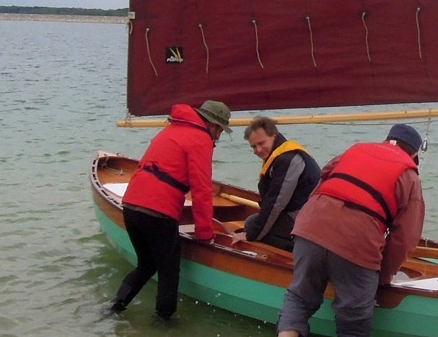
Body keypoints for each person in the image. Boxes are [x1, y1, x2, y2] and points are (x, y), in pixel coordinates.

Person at [266, 123, 426, 337]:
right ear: (414, 156)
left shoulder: (355, 150)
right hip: (357, 240)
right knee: (354, 323)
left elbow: (323, 180)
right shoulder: (409, 175)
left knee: (300, 296)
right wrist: (382, 278)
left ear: (386, 140)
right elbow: (404, 239)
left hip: (311, 226)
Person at [106, 100, 232, 321]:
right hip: (158, 212)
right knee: (169, 270)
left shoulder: (171, 129)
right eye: (220, 129)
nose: (219, 136)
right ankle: (164, 322)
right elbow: (201, 191)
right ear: (212, 124)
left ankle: (114, 307)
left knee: (146, 265)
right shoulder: (200, 138)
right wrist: (205, 234)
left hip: (131, 205)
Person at [235, 116, 320, 252]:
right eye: (253, 147)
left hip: (308, 221)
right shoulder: (280, 155)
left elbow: (276, 202)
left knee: (251, 225)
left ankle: (297, 249)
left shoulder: (288, 159)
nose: (258, 150)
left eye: (261, 143)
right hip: (300, 214)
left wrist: (252, 236)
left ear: (274, 135)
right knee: (253, 222)